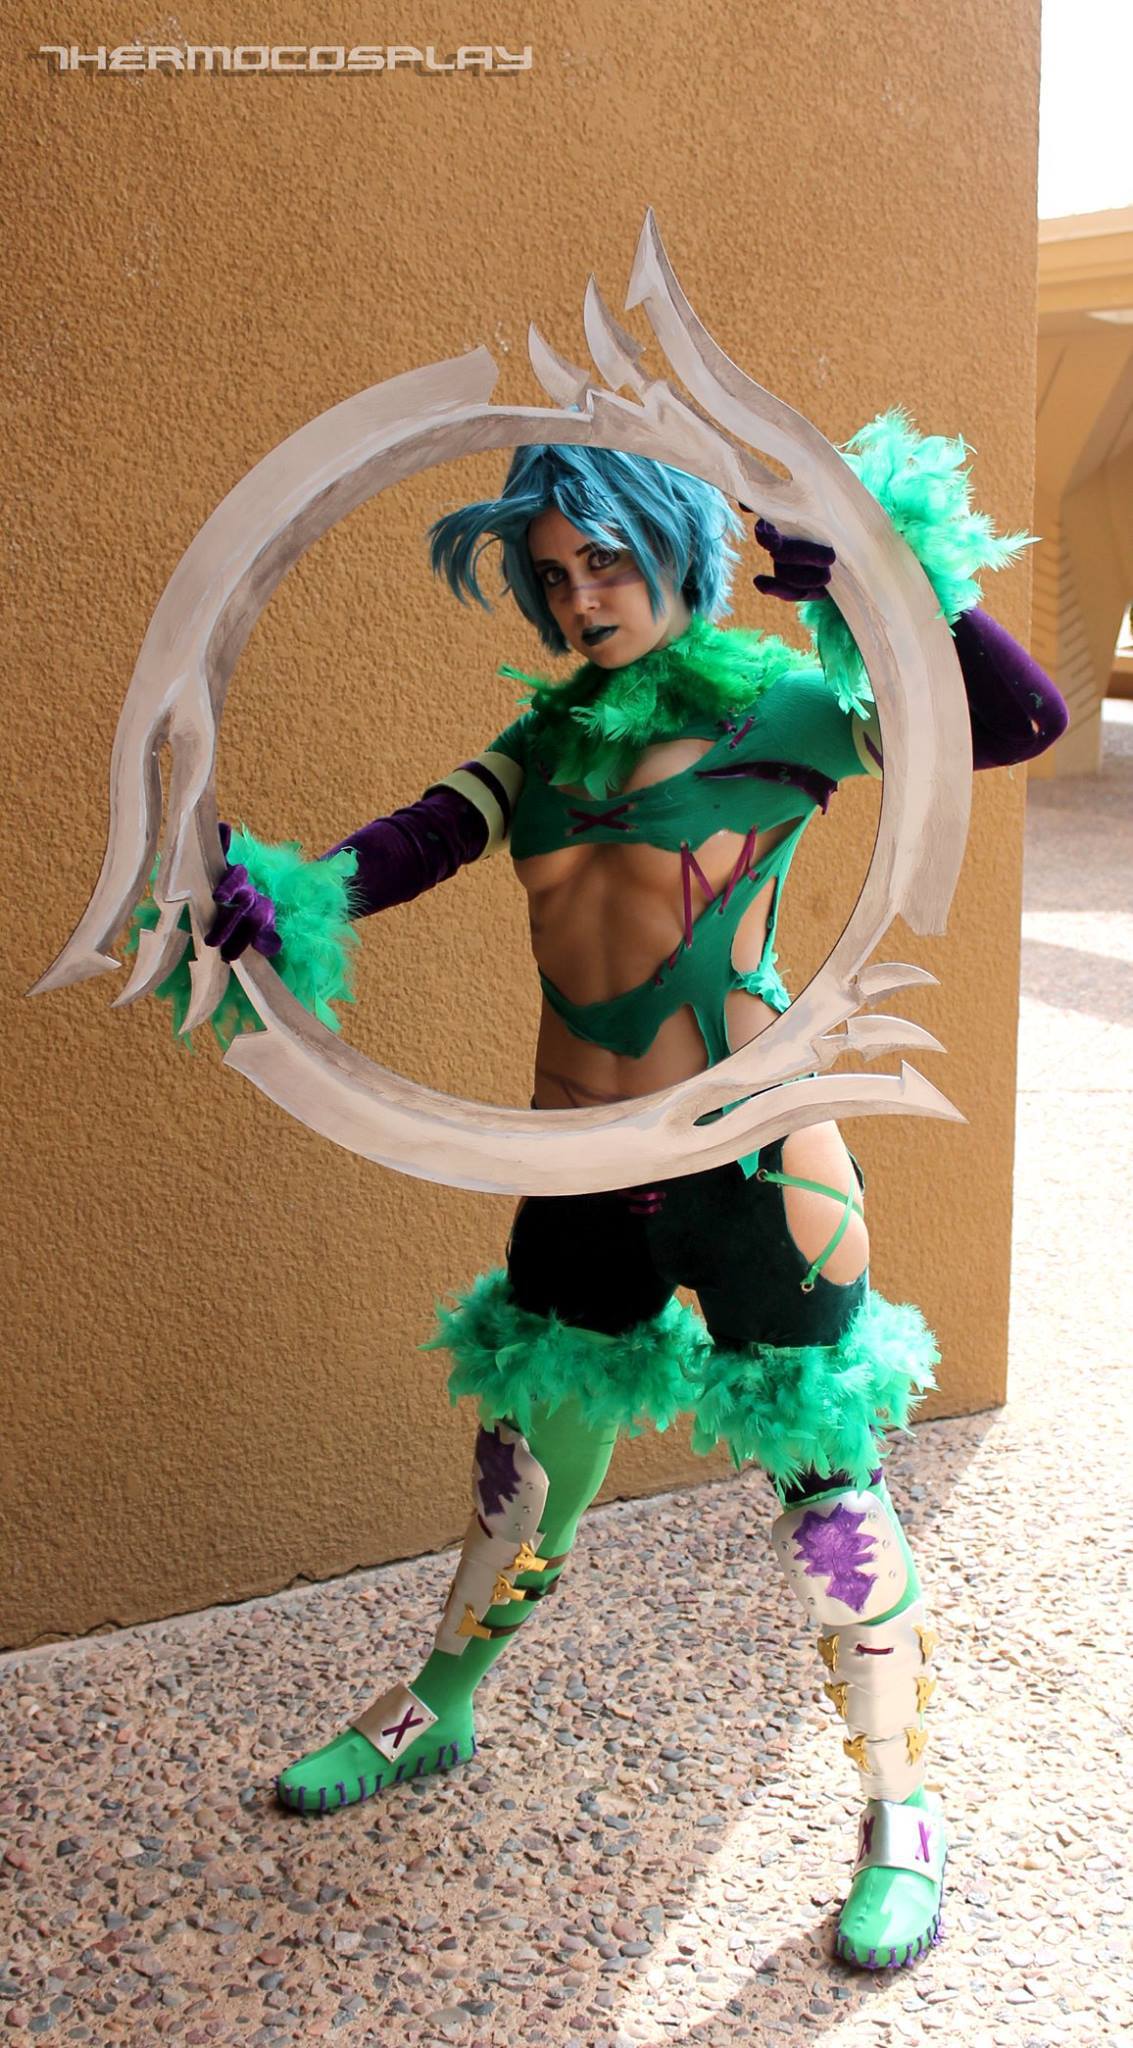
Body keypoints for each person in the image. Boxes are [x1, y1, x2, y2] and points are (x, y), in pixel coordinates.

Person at [190, 420, 1066, 1971]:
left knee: (829, 1501)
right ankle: (436, 1707)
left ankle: (899, 1814)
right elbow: (414, 841)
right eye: (550, 575)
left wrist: (892, 588)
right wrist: (290, 894)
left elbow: (1015, 722)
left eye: (603, 561)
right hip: (579, 1168)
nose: (579, 597)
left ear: (673, 550)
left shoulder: (783, 712)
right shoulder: (545, 745)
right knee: (523, 1472)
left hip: (760, 1173)